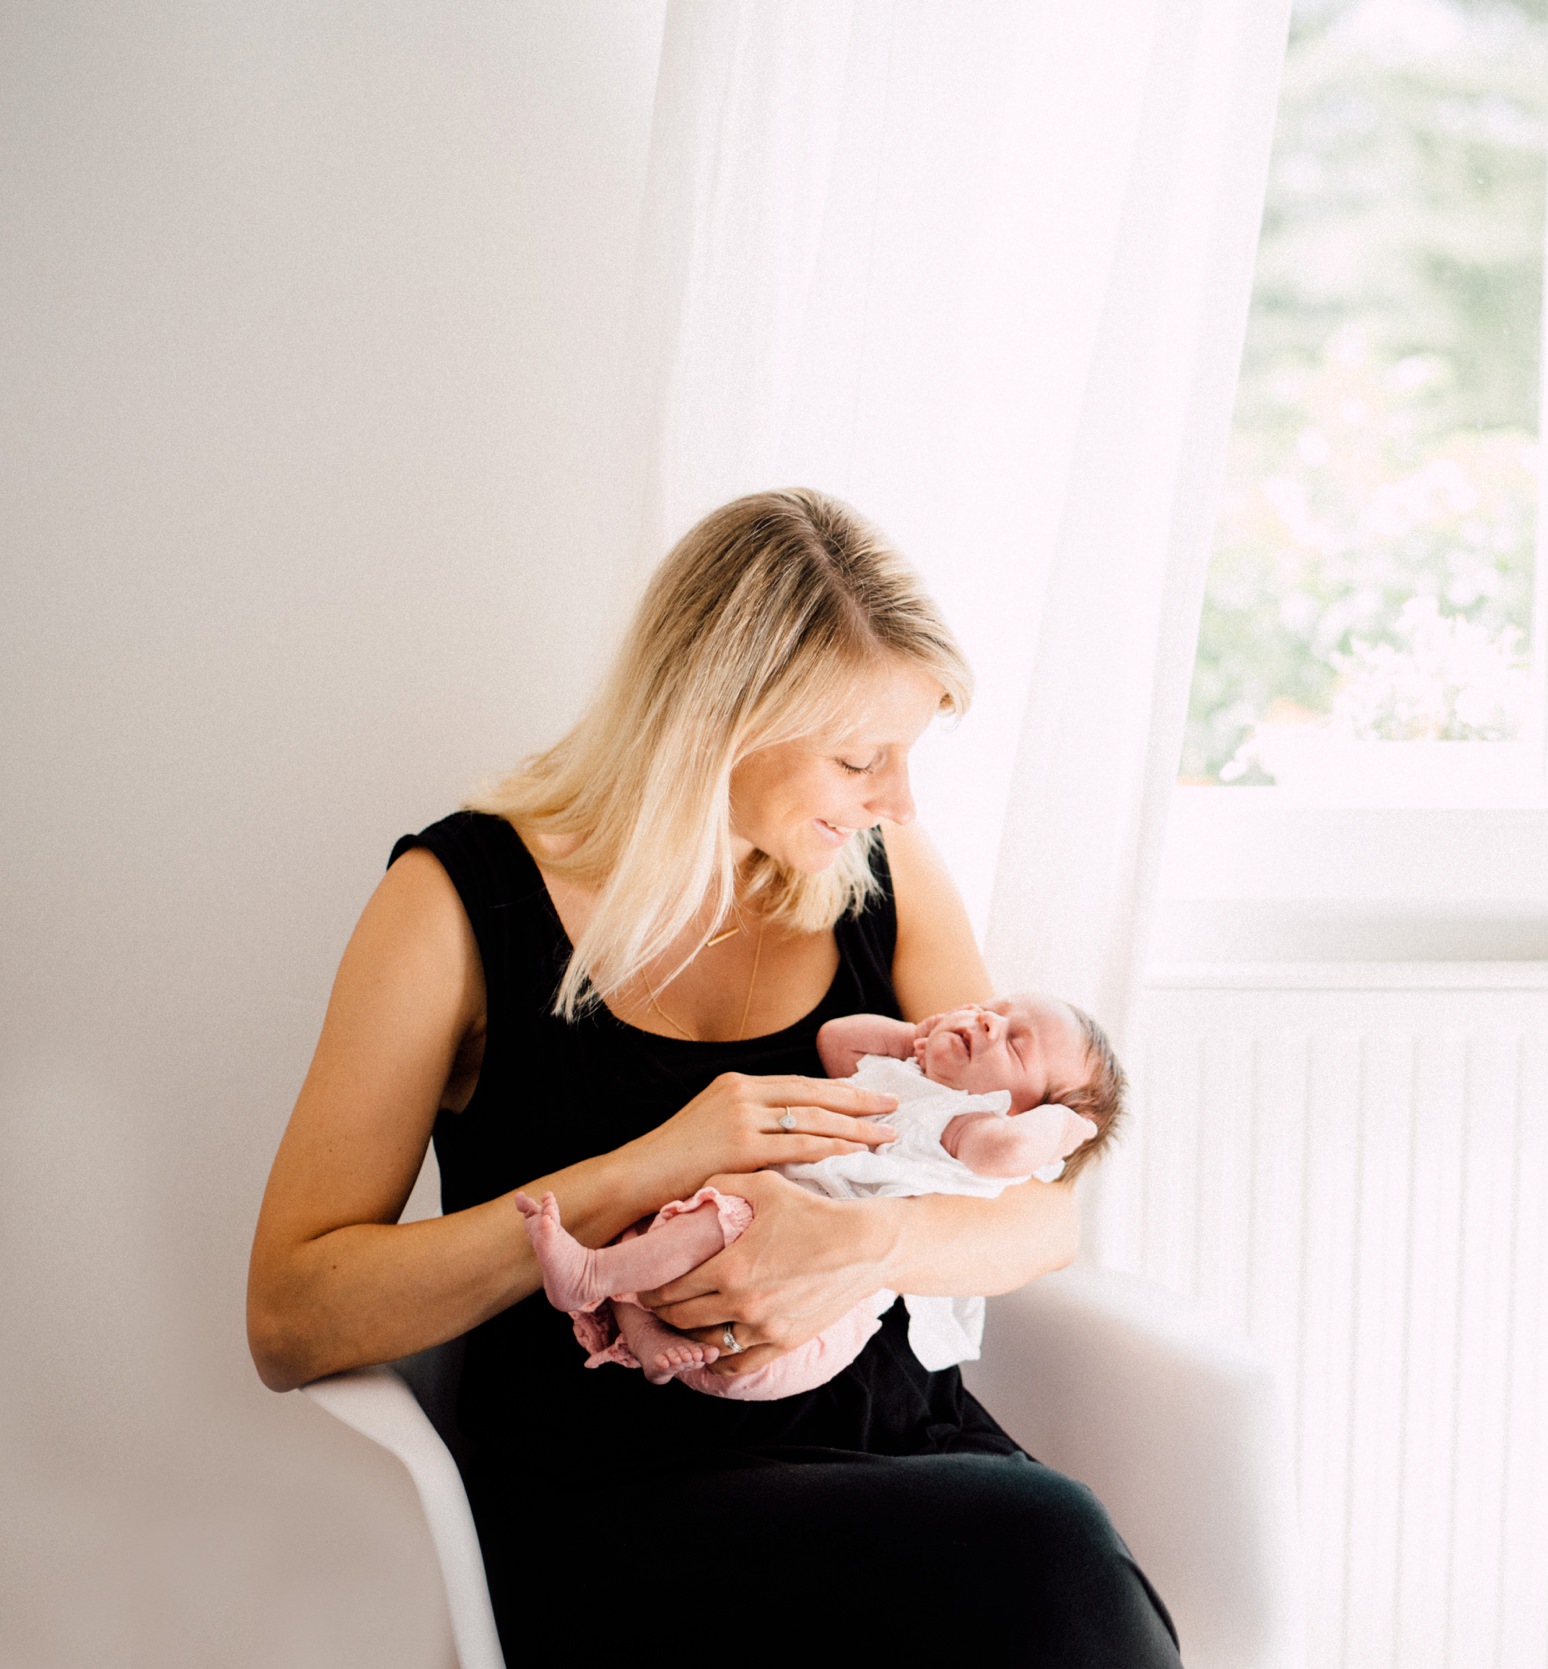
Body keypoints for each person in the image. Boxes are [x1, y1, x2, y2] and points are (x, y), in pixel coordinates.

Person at [245, 489, 1182, 1666]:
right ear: (721, 720)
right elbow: (291, 1317)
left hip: (913, 1457)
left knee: (1047, 1552)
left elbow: (1043, 1215)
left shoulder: (883, 871)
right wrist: (647, 1167)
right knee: (1045, 1547)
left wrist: (867, 1246)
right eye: (860, 758)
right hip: (620, 1504)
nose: (897, 801)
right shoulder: (453, 904)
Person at [514, 991, 1126, 1397]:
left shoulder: (970, 1129)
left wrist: (1059, 1128)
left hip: (806, 1319)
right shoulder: (905, 1080)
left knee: (721, 1218)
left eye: (1016, 1044)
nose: (988, 1021)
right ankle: (647, 1340)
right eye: (991, 1009)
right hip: (738, 1270)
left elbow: (1012, 1155)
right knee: (655, 1229)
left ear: (1027, 1113)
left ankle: (591, 1274)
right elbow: (838, 1041)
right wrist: (914, 1036)